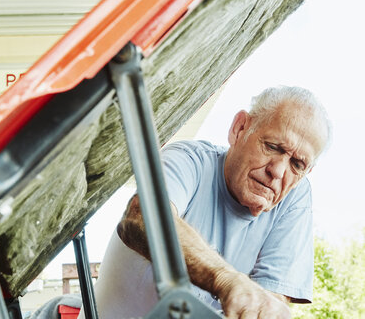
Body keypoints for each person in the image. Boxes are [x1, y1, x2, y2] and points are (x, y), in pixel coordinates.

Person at [78, 86, 331, 319]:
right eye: (273, 147)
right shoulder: (187, 159)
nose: (278, 171)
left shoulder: (293, 198)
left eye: (297, 165)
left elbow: (268, 304)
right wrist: (225, 279)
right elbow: (142, 217)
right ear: (240, 128)